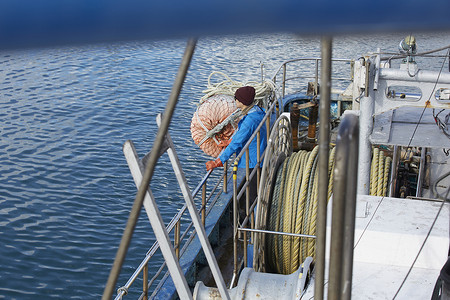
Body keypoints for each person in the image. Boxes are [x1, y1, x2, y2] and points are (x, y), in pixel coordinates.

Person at [205, 85, 267, 205]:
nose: (234, 100)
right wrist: (229, 141)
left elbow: (236, 144)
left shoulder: (249, 121)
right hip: (260, 156)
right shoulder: (258, 112)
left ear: (241, 102)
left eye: (236, 98)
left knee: (249, 197)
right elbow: (241, 135)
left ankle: (250, 220)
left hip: (252, 163)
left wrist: (218, 161)